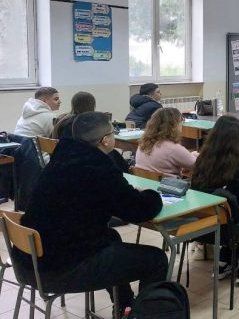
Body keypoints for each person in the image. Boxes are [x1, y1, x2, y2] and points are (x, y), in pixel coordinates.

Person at [14, 111, 167, 311]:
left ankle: (124, 307)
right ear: (105, 140)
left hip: (28, 263)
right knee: (156, 260)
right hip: (60, 269)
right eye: (113, 132)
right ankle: (143, 314)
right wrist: (152, 194)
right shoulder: (97, 167)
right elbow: (138, 211)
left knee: (111, 236)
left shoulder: (60, 159)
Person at [192, 115, 239, 284]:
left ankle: (224, 262)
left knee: (234, 213)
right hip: (228, 230)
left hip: (203, 226)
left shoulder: (202, 159)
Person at [135, 107, 198, 177]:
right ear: (174, 126)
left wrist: (190, 155)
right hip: (166, 183)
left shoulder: (143, 143)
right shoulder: (173, 148)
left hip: (144, 181)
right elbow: (198, 165)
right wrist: (196, 155)